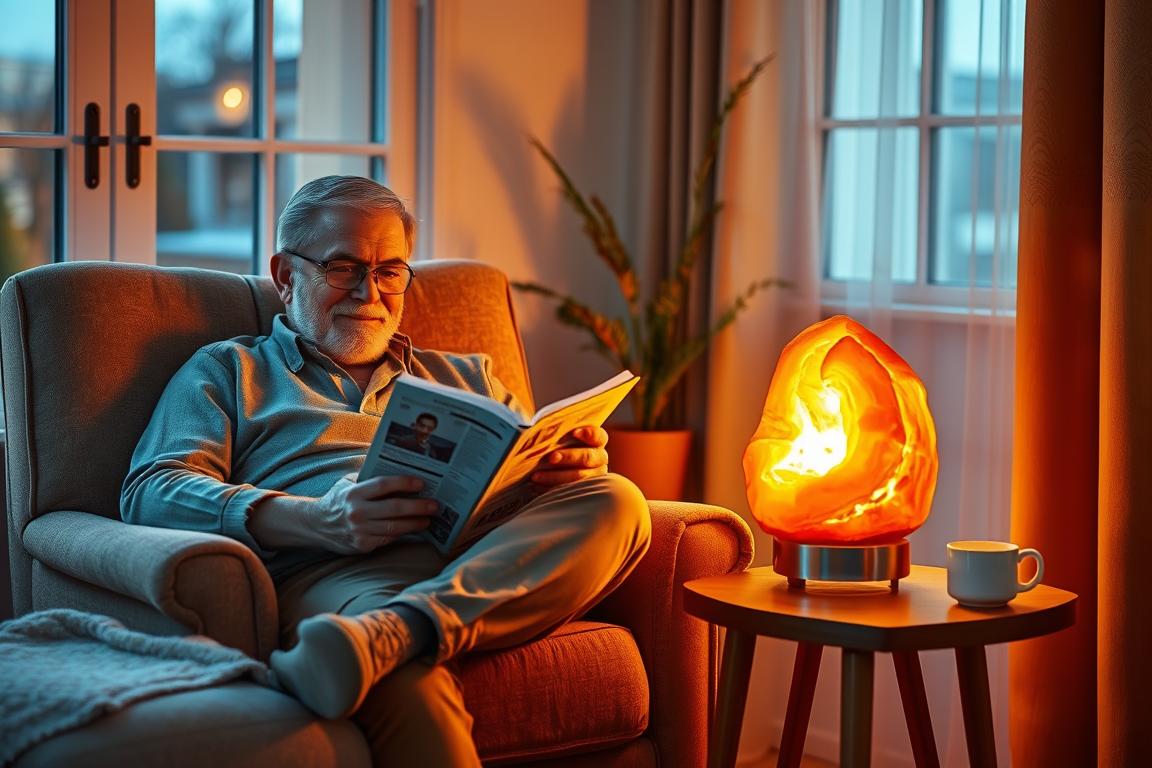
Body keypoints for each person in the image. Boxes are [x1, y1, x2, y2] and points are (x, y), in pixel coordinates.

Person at [120, 175, 651, 766]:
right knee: (408, 685)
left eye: (391, 271)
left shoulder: (466, 376)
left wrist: (566, 465)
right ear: (286, 275)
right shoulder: (228, 370)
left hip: (478, 553)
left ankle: (396, 633)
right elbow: (151, 489)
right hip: (342, 571)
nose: (370, 293)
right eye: (344, 267)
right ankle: (397, 637)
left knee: (617, 499)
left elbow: (524, 475)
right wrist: (314, 519)